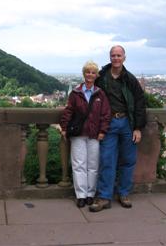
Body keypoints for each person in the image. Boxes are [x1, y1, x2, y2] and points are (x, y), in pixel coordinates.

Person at [89, 45, 146, 212]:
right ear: (109, 57)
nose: (116, 58)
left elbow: (140, 103)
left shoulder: (130, 79)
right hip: (108, 123)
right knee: (107, 159)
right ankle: (104, 197)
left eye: (119, 55)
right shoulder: (102, 77)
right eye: (113, 55)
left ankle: (123, 193)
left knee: (128, 161)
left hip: (127, 123)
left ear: (124, 58)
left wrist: (137, 128)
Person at [60, 61, 111, 208]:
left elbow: (106, 114)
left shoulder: (100, 93)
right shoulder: (75, 93)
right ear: (84, 74)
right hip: (78, 133)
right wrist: (64, 127)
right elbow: (68, 111)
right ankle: (81, 195)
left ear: (96, 75)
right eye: (87, 72)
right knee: (78, 165)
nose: (90, 75)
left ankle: (90, 194)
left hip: (94, 134)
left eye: (93, 72)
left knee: (93, 165)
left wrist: (103, 131)